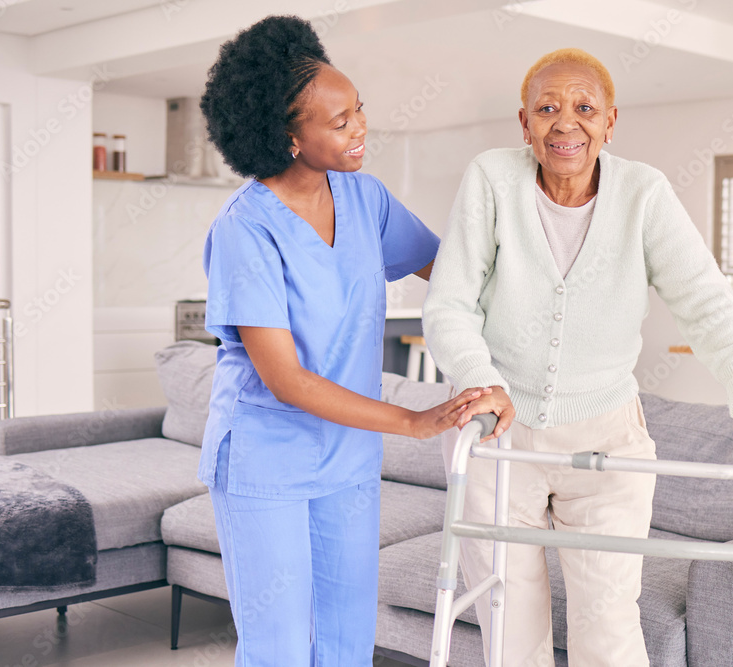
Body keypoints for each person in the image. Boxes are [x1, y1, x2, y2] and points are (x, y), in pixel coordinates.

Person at [422, 48, 733, 666]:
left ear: (610, 122)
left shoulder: (643, 194)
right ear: (525, 124)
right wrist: (483, 383)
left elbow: (706, 302)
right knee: (507, 619)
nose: (566, 124)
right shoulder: (491, 178)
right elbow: (449, 304)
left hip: (607, 435)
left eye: (584, 108)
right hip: (496, 431)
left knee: (608, 620)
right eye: (547, 109)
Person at [197, 16, 487, 667]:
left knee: (349, 636)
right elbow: (287, 379)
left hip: (348, 453)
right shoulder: (247, 230)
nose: (359, 129)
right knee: (277, 644)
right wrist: (412, 420)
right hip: (265, 456)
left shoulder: (367, 200)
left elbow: (454, 271)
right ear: (287, 137)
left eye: (358, 111)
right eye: (338, 121)